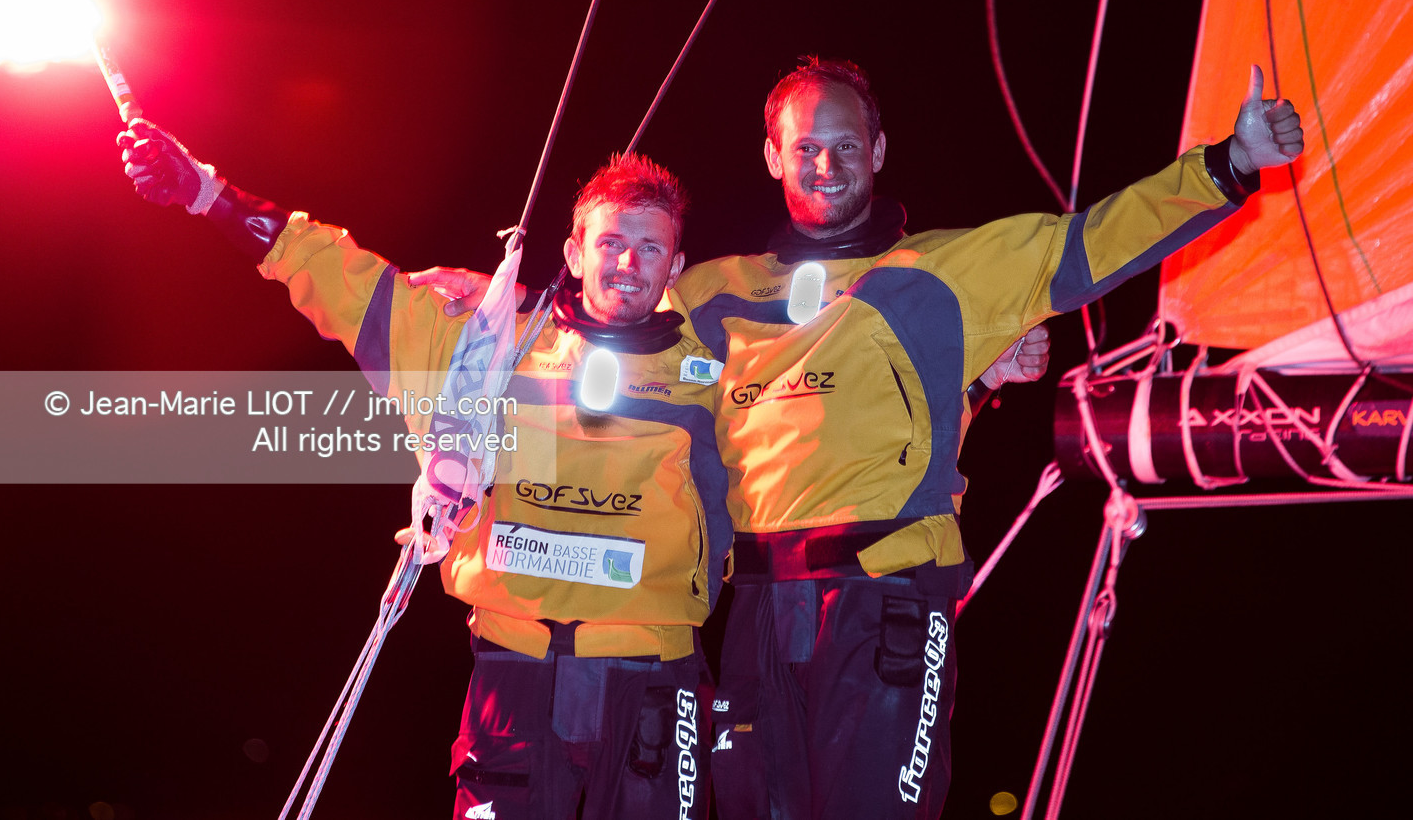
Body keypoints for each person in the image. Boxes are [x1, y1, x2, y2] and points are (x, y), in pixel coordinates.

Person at [671, 58, 1303, 820]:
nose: (826, 165)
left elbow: (1091, 243)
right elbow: (605, 357)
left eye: (845, 146)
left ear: (877, 151)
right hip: (758, 617)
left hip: (882, 603)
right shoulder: (709, 294)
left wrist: (1228, 166)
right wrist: (493, 311)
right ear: (774, 156)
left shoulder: (943, 269)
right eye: (806, 147)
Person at [116, 129, 727, 820]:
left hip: (653, 680)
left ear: (675, 266)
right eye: (611, 242)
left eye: (650, 248)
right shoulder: (487, 349)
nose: (627, 263)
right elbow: (348, 283)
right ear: (574, 253)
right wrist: (208, 193)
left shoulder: (712, 368)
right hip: (514, 671)